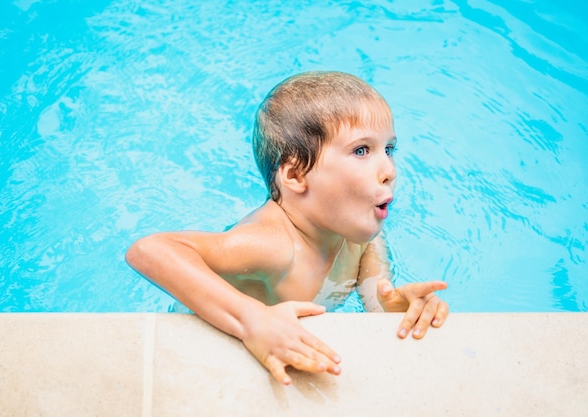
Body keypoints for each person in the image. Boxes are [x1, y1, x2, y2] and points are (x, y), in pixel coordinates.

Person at [126, 71, 449, 385]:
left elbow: (375, 302)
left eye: (389, 149)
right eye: (361, 150)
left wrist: (400, 308)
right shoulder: (273, 244)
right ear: (296, 176)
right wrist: (252, 320)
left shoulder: (362, 236)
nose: (388, 169)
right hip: (202, 349)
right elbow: (149, 251)